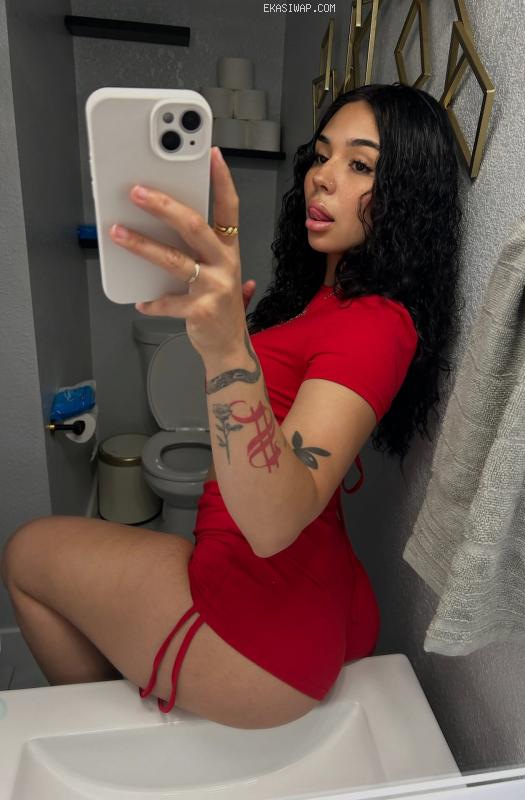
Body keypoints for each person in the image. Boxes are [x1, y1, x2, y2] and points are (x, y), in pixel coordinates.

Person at [0, 82, 462, 730]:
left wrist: (225, 349)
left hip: (261, 634)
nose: (323, 177)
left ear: (407, 194)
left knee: (25, 556)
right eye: (322, 155)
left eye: (360, 164)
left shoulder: (377, 325)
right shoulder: (328, 300)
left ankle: (112, 740)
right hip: (309, 580)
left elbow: (273, 525)